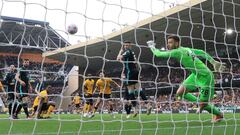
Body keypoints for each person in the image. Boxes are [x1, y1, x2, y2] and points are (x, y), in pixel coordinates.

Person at [147, 35, 226, 123]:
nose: (168, 45)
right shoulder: (186, 49)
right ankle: (201, 103)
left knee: (203, 104)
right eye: (168, 42)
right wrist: (212, 61)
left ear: (177, 43)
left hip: (205, 76)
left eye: (170, 42)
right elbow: (201, 52)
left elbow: (158, 54)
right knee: (180, 92)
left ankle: (218, 114)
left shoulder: (177, 51)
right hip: (195, 75)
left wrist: (152, 46)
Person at [117, 41, 152, 117]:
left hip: (130, 73)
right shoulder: (131, 52)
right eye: (125, 45)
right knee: (139, 89)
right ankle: (148, 105)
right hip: (135, 71)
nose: (126, 46)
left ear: (130, 46)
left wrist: (120, 51)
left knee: (130, 91)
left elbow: (118, 58)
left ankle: (135, 109)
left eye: (127, 45)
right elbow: (124, 61)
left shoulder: (127, 52)